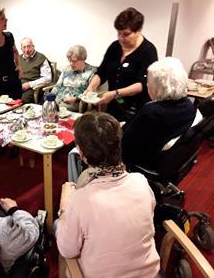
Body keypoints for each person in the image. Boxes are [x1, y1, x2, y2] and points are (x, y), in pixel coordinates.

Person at [56, 112, 160, 278]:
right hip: (149, 273)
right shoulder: (141, 181)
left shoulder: (80, 199)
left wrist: (64, 207)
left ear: (81, 154)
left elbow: (67, 250)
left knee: (58, 226)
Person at [84, 7, 158, 121]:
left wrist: (114, 94)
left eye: (126, 34)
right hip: (116, 103)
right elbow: (102, 72)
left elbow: (142, 85)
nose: (121, 38)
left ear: (139, 30)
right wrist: (91, 87)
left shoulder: (148, 51)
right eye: (118, 33)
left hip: (135, 107)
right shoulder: (115, 47)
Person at [122, 57, 197, 169]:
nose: (147, 85)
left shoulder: (152, 112)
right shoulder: (188, 105)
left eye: (148, 81)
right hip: (170, 158)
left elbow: (127, 144)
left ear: (158, 86)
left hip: (141, 161)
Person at [51, 45, 96, 112]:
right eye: (70, 61)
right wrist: (50, 97)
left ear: (83, 59)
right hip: (58, 101)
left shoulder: (91, 72)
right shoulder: (66, 69)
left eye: (74, 61)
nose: (71, 64)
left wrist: (76, 99)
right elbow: (57, 86)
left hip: (75, 103)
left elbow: (91, 94)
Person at [19, 37, 52, 103]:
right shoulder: (18, 58)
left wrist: (29, 84)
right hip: (19, 86)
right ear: (21, 49)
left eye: (29, 46)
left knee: (22, 100)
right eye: (24, 47)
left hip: (33, 88)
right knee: (7, 97)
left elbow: (47, 78)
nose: (26, 50)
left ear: (33, 46)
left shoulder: (41, 58)